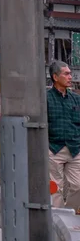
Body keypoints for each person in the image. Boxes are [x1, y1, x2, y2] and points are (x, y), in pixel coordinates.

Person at [47, 60, 80, 212]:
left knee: (78, 186)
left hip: (75, 149)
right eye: (66, 74)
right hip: (53, 149)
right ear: (55, 77)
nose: (70, 77)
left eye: (70, 74)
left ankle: (68, 214)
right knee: (55, 188)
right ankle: (57, 222)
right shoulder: (45, 98)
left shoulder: (76, 99)